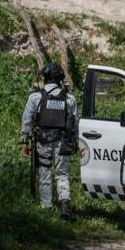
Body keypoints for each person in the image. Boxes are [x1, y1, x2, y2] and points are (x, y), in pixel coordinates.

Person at [20, 63, 80, 219]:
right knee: (63, 174)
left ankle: (46, 207)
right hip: (63, 142)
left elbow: (26, 120)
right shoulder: (70, 99)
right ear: (60, 79)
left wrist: (24, 142)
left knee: (44, 172)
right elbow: (75, 123)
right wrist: (78, 144)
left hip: (42, 141)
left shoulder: (35, 97)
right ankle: (65, 205)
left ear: (45, 78)